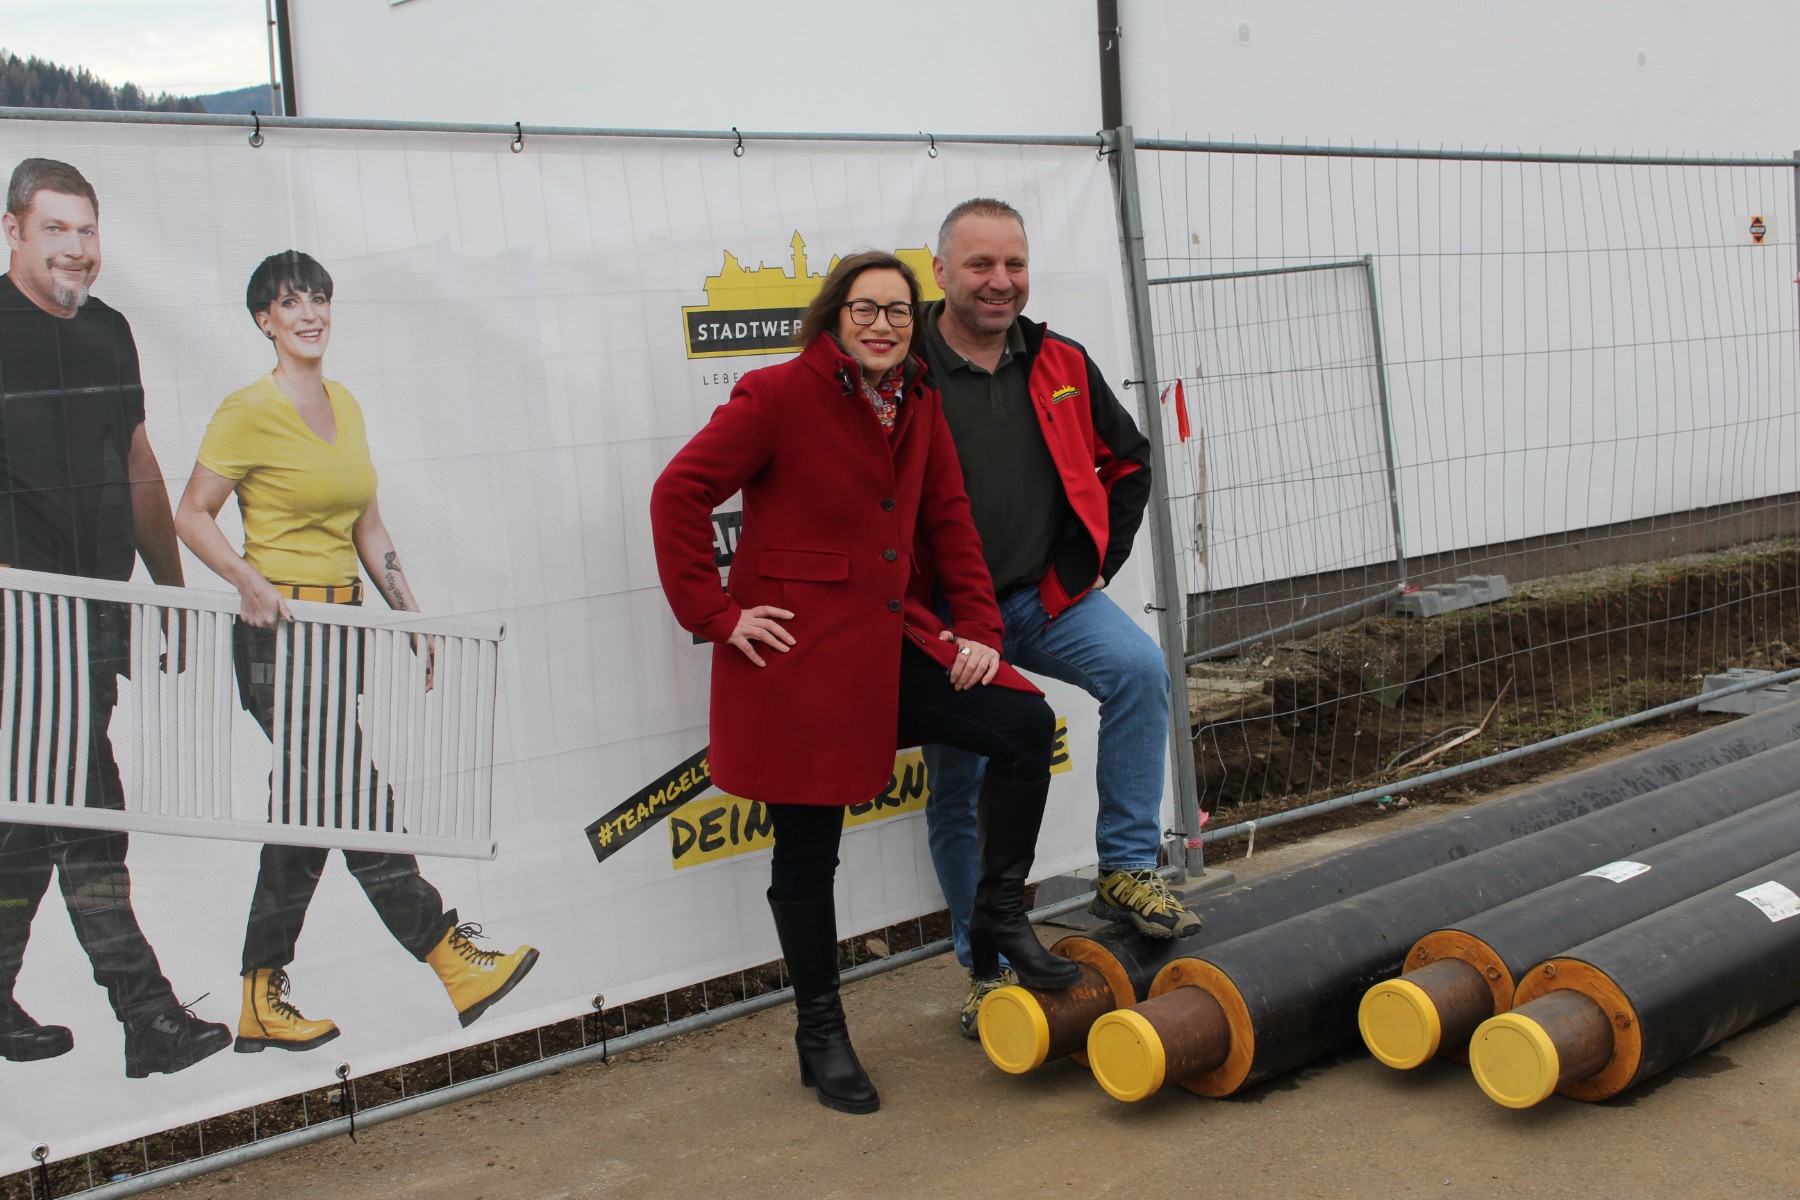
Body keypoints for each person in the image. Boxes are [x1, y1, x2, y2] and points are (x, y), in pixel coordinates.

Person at [650, 250, 1080, 1115]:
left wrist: (980, 630)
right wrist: (718, 615)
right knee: (807, 852)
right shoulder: (777, 394)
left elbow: (949, 520)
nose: (882, 325)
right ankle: (821, 1030)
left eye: (897, 311)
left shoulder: (918, 399)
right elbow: (679, 492)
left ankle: (997, 914)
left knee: (1024, 728)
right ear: (834, 316)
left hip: (890, 645)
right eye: (865, 309)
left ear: (915, 323)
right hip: (800, 664)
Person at [174, 250, 537, 1054]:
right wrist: (246, 579)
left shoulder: (345, 404)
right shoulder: (246, 410)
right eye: (290, 302)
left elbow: (368, 527)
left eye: (319, 298)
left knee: (312, 810)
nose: (309, 314)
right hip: (279, 637)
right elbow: (191, 513)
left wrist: (413, 619)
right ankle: (447, 956)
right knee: (353, 797)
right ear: (264, 320)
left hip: (342, 634)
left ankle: (260, 993)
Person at [918, 198, 1201, 1039]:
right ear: (941, 271)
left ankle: (1126, 868)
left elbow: (1129, 459)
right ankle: (987, 967)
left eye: (1014, 263)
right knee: (961, 785)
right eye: (980, 264)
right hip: (946, 624)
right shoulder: (903, 367)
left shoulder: (1059, 359)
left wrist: (1092, 561)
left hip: (1039, 600)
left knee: (1140, 670)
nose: (1000, 281)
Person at [0, 157, 233, 1076]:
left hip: (97, 617)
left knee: (33, 820)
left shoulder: (109, 332)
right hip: (22, 628)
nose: (77, 248)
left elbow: (138, 463)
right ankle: (148, 1018)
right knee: (88, 814)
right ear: (13, 231)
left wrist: (168, 588)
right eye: (55, 229)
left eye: (87, 230)